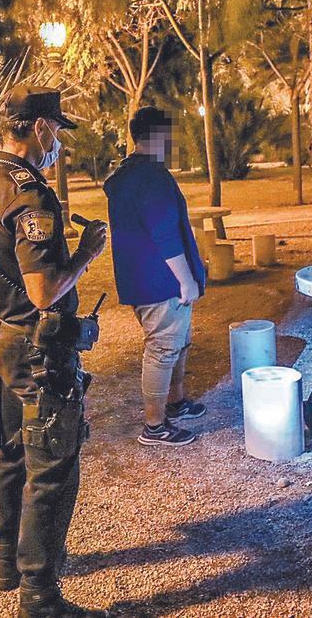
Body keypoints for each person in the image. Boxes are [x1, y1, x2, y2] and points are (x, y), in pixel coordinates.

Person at [0, 85, 110, 618]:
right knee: (52, 467)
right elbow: (44, 290)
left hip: (3, 339)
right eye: (58, 133)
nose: (59, 146)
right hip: (38, 347)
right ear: (42, 126)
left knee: (9, 454)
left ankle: (8, 562)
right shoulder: (30, 192)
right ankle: (39, 596)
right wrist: (88, 254)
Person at [104, 106, 207, 447]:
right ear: (161, 136)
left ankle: (175, 404)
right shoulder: (152, 178)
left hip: (140, 278)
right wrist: (186, 279)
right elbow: (164, 233)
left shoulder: (125, 175)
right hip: (162, 281)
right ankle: (155, 426)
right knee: (163, 348)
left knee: (176, 343)